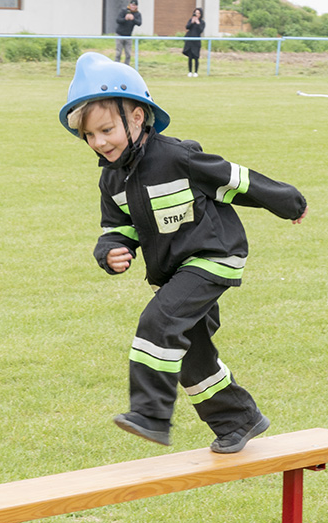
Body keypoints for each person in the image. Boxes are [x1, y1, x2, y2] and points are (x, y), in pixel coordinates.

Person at [58, 53, 308, 452]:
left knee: (159, 322)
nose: (99, 142)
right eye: (89, 136)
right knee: (191, 356)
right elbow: (116, 230)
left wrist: (289, 202)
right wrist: (111, 252)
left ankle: (150, 414)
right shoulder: (111, 181)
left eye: (106, 130)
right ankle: (238, 419)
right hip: (176, 272)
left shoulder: (178, 157)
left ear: (137, 117)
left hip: (214, 255)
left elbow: (237, 180)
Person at [114, 0, 141, 67]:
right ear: (129, 5)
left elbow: (139, 23)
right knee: (118, 53)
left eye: (134, 5)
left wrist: (133, 19)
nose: (133, 6)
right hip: (119, 35)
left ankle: (126, 67)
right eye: (132, 5)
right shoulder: (124, 11)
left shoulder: (137, 14)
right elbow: (118, 20)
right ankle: (116, 66)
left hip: (128, 36)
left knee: (128, 54)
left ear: (136, 6)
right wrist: (125, 19)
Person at [183, 7, 205, 77]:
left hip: (196, 42)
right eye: (196, 13)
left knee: (196, 57)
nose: (197, 14)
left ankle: (196, 72)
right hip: (190, 41)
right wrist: (192, 22)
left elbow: (201, 30)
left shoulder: (202, 22)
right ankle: (190, 71)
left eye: (198, 13)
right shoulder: (191, 20)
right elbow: (187, 27)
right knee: (190, 57)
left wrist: (198, 23)